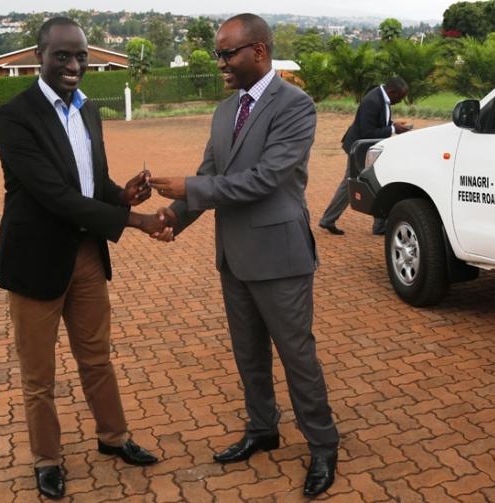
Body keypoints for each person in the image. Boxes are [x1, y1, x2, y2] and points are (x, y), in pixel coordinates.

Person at [149, 13, 340, 498]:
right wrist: (172, 217)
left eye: (228, 53)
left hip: (280, 256)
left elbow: (264, 180)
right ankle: (263, 429)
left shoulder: (296, 107)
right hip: (233, 256)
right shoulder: (223, 112)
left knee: (297, 355)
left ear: (258, 51)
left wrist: (191, 186)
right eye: (218, 54)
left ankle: (322, 445)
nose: (220, 63)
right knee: (249, 355)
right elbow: (211, 176)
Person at [0, 17, 169, 500]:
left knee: (97, 358)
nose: (75, 65)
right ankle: (47, 459)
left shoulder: (88, 110)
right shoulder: (14, 116)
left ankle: (114, 439)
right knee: (38, 375)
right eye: (63, 55)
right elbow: (54, 196)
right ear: (39, 55)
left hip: (86, 254)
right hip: (36, 262)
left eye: (82, 56)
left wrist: (121, 197)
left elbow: (90, 182)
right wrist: (139, 223)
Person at [318, 77, 411, 236]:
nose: (400, 101)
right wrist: (393, 130)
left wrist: (393, 125)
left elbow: (378, 123)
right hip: (360, 148)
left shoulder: (382, 97)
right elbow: (367, 133)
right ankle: (330, 219)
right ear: (392, 92)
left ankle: (378, 224)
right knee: (354, 183)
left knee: (373, 181)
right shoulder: (373, 101)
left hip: (367, 148)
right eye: (400, 98)